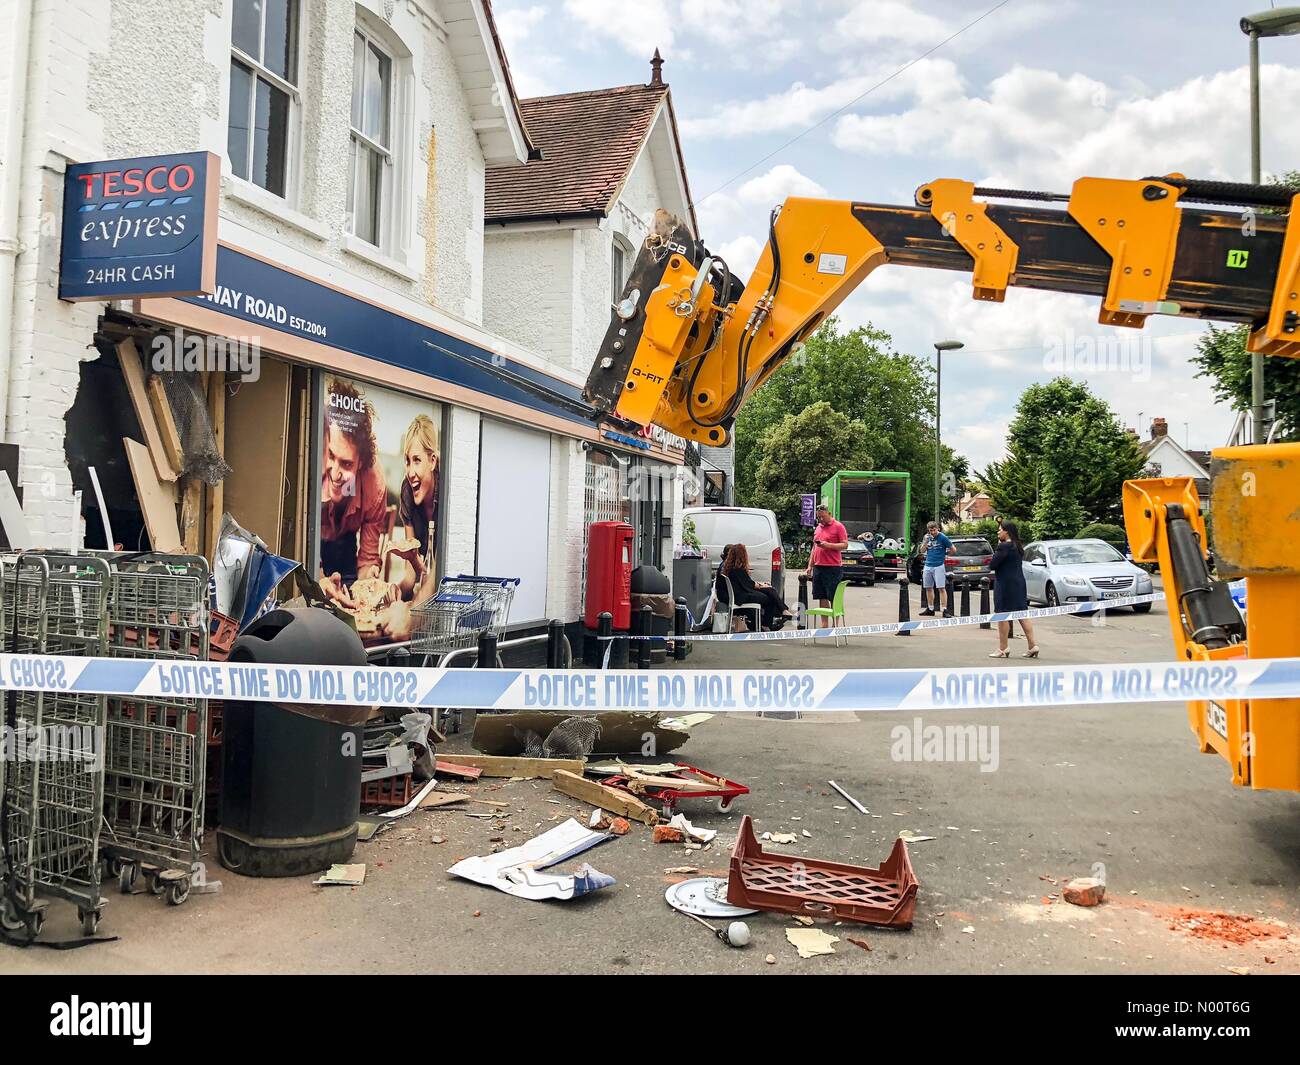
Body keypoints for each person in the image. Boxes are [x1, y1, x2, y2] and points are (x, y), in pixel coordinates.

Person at [319, 378, 387, 608]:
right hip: (311, 543)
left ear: (361, 464)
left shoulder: (374, 486)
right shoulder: (312, 461)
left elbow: (367, 560)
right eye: (330, 455)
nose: (335, 473)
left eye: (346, 464)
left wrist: (368, 583)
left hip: (346, 546)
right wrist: (319, 581)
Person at [389, 414, 440, 600]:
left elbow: (437, 580)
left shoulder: (445, 494)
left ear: (432, 461)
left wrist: (409, 614)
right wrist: (394, 592)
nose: (410, 472)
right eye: (407, 461)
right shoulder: (407, 491)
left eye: (417, 460)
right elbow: (412, 576)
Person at [988, 519, 1039, 658]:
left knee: (1002, 614)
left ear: (1007, 531)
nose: (998, 531)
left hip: (1005, 584)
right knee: (1022, 613)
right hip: (1019, 583)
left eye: (1000, 529)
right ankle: (1032, 645)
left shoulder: (1004, 547)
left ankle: (1003, 648)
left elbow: (993, 565)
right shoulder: (1018, 546)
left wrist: (999, 546)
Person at [716, 543, 793, 630]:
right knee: (769, 597)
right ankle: (769, 622)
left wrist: (761, 585)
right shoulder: (737, 568)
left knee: (770, 591)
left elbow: (745, 583)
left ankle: (781, 612)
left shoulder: (728, 566)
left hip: (738, 592)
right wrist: (761, 585)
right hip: (740, 596)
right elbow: (749, 585)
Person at [805, 503, 848, 626]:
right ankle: (824, 624)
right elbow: (814, 548)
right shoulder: (818, 528)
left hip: (833, 567)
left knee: (833, 595)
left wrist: (828, 545)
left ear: (829, 514)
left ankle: (835, 623)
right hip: (819, 566)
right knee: (821, 595)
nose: (821, 519)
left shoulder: (838, 526)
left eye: (823, 516)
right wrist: (810, 566)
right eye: (819, 517)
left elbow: (845, 544)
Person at [919, 520, 955, 617]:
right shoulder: (927, 537)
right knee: (928, 587)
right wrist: (925, 542)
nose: (933, 532)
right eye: (930, 531)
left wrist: (946, 554)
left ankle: (944, 609)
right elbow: (921, 550)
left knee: (941, 588)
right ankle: (930, 608)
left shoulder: (943, 537)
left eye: (934, 530)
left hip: (938, 565)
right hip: (928, 565)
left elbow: (953, 549)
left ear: (937, 528)